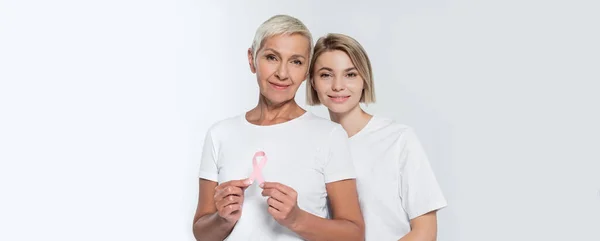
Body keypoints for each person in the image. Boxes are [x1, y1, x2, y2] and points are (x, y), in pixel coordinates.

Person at [192, 16, 364, 241]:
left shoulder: (329, 135)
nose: (282, 73)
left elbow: (354, 235)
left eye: (296, 62)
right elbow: (202, 233)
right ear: (252, 59)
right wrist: (223, 219)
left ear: (306, 72)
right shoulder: (220, 134)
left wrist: (297, 219)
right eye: (272, 58)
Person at [306, 33, 447, 241]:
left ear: (364, 79)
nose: (338, 85)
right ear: (313, 82)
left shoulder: (398, 139)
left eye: (350, 74)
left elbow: (425, 232)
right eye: (326, 75)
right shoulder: (310, 144)